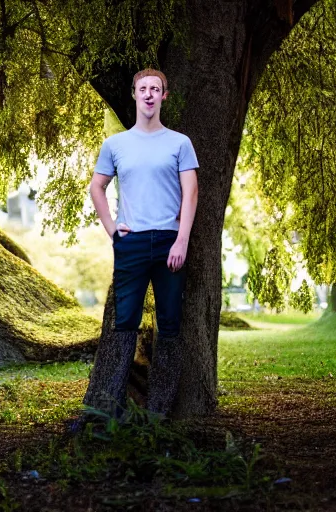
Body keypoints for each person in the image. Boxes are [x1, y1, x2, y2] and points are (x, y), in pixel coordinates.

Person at [83, 68, 199, 417]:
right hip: (130, 245)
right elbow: (96, 188)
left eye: (155, 89)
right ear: (134, 95)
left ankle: (159, 413)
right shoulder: (115, 145)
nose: (149, 94)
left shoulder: (180, 142)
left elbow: (191, 193)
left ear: (164, 96)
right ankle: (108, 413)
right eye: (142, 88)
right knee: (124, 325)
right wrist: (113, 231)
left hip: (169, 244)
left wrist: (182, 241)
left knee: (170, 325)